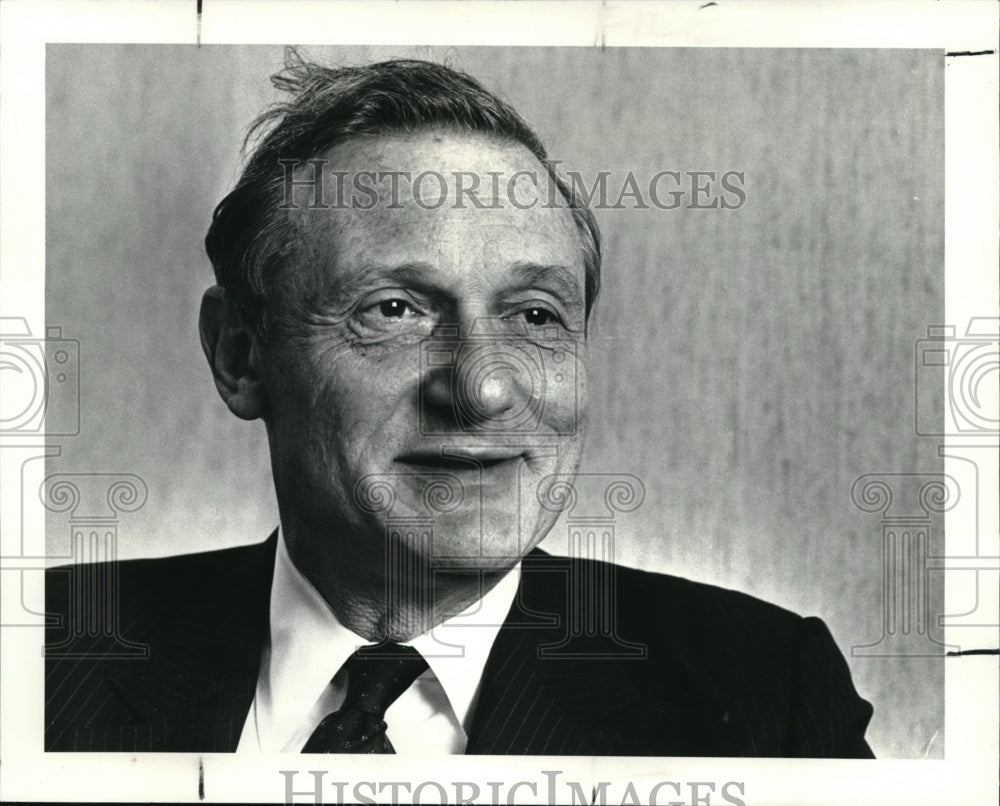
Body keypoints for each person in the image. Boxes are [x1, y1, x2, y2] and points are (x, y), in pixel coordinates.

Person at [45, 52, 874, 757]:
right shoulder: (41, 658)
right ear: (239, 356)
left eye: (535, 316)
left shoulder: (766, 695)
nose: (482, 388)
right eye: (395, 310)